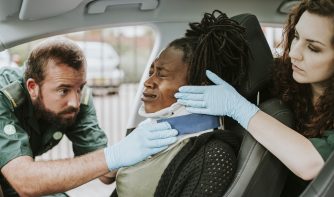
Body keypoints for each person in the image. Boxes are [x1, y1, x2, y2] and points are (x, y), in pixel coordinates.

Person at [175, 0, 334, 195]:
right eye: (296, 37)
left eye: (313, 48)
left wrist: (239, 108)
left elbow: (313, 163)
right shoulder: (280, 79)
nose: (293, 53)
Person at [0, 37, 178, 197]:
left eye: (80, 88)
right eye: (63, 90)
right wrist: (113, 155)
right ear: (32, 88)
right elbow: (25, 181)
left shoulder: (77, 99)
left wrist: (149, 153)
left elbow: (106, 173)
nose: (75, 102)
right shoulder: (4, 95)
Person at [112, 10, 247, 197]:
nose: (148, 82)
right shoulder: (147, 131)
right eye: (151, 71)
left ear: (200, 86)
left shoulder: (214, 155)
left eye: (161, 74)